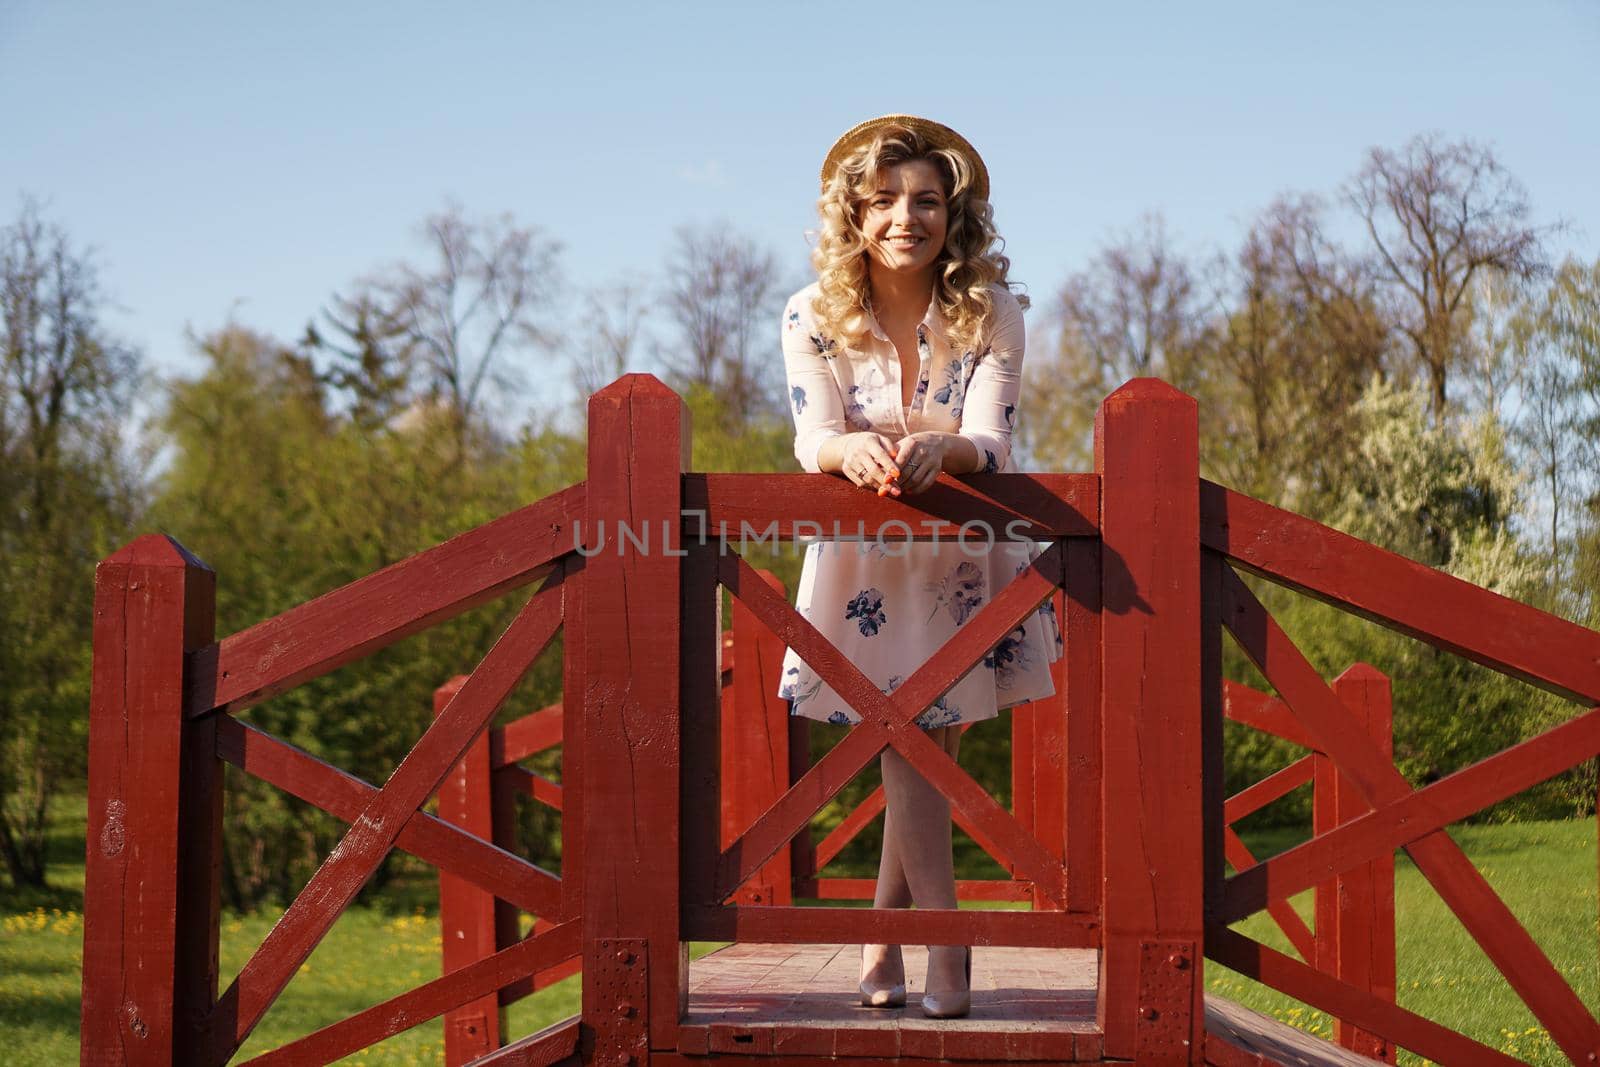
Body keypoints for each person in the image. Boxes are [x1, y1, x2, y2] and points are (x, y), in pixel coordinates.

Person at [777, 115, 1061, 1019]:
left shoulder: (994, 307)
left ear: (954, 212)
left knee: (922, 743)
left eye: (928, 200)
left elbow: (991, 434)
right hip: (863, 557)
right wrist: (842, 455)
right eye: (886, 198)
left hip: (964, 554)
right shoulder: (809, 312)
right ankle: (946, 942)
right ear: (854, 213)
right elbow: (810, 432)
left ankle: (884, 941)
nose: (908, 216)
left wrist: (947, 450)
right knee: (908, 740)